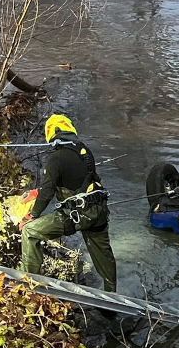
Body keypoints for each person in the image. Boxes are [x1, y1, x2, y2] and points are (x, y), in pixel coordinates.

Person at [19, 114, 117, 292]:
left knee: (30, 231)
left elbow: (49, 191)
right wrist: (37, 192)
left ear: (52, 134)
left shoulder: (56, 158)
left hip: (76, 215)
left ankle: (31, 286)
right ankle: (111, 294)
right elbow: (74, 179)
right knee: (103, 254)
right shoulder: (85, 152)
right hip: (98, 211)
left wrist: (30, 216)